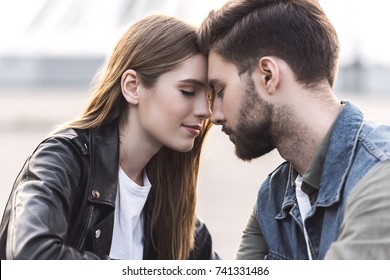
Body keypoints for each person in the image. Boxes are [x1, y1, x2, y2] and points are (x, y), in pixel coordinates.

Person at [0, 14, 219, 260]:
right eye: (188, 91)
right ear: (132, 87)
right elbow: (32, 256)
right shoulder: (63, 160)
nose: (206, 110)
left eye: (209, 96)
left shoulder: (181, 221)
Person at [199, 0, 390, 259]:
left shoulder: (381, 175)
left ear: (268, 76)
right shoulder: (272, 197)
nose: (215, 115)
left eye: (220, 91)